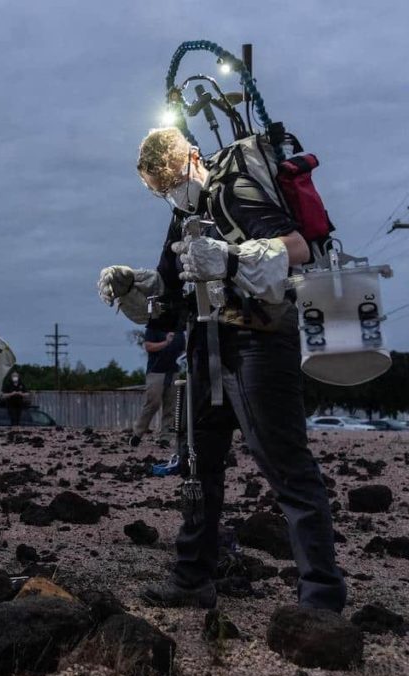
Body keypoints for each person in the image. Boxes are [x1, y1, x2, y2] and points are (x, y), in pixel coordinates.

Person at [98, 127, 346, 613]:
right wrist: (132, 283)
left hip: (259, 339)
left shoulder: (233, 190)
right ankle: (193, 579)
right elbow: (169, 291)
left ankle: (321, 595)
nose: (172, 193)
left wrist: (229, 260)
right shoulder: (184, 213)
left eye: (173, 181)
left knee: (285, 464)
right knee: (196, 464)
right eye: (161, 189)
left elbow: (296, 247)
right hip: (205, 344)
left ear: (193, 158)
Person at [130, 317, 185, 448]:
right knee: (153, 403)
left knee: (171, 406)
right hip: (156, 371)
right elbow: (148, 346)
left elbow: (183, 347)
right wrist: (166, 343)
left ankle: (165, 437)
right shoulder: (153, 326)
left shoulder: (178, 328)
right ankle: (138, 433)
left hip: (173, 371)